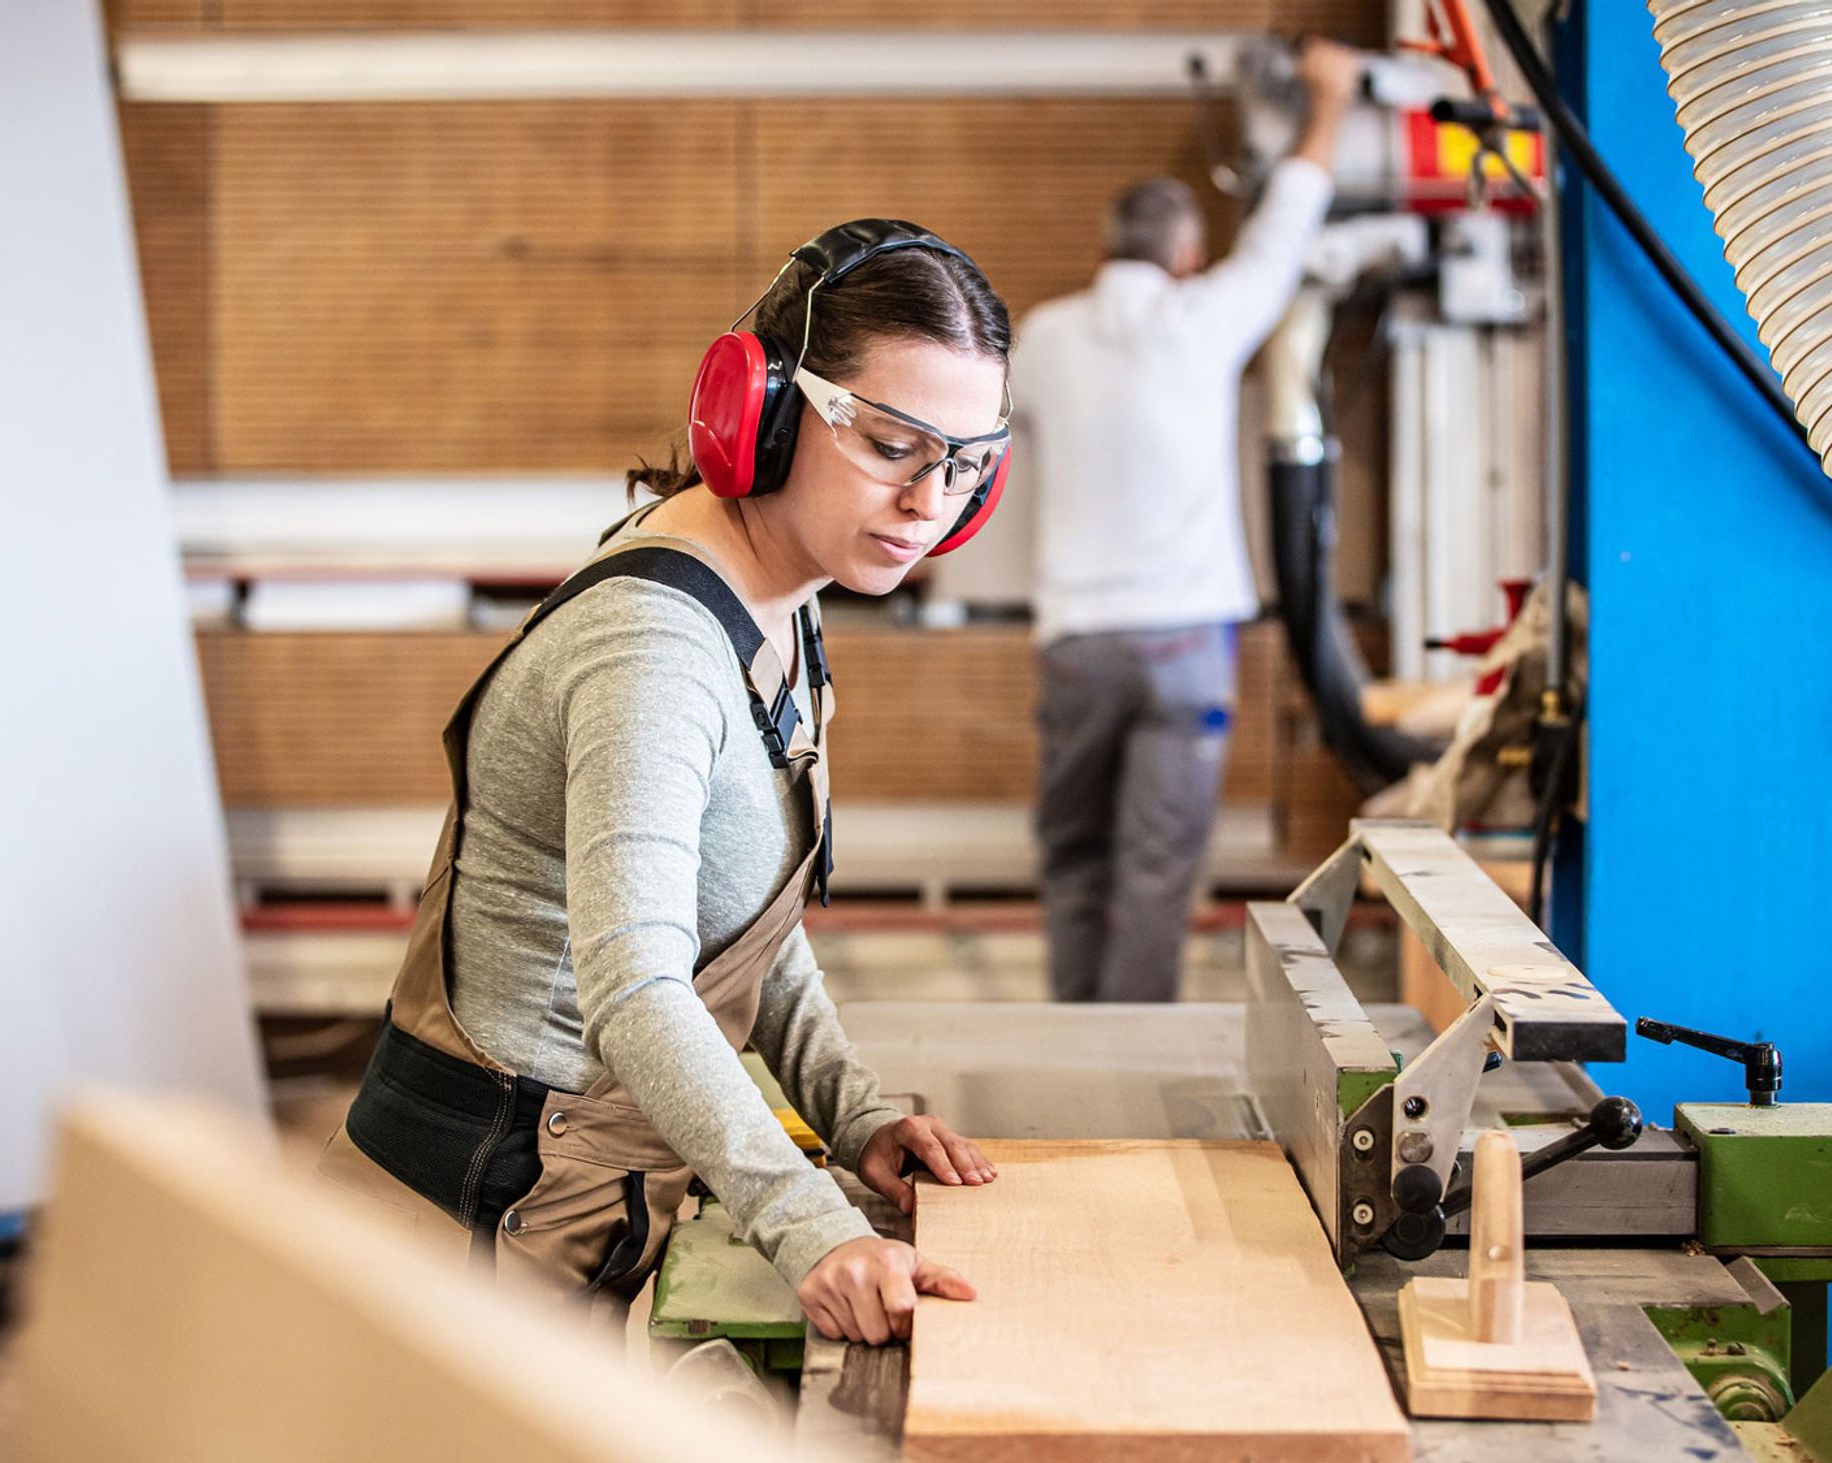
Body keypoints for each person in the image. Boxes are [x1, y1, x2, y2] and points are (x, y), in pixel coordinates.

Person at [317, 221, 1015, 1345]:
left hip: (556, 1192)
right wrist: (809, 1223)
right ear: (768, 413)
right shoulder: (655, 648)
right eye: (891, 444)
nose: (929, 501)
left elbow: (731, 915)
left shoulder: (781, 592)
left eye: (966, 462)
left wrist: (853, 1113)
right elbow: (638, 984)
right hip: (466, 1222)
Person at [1013, 38, 1360, 1003]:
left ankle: (1074, 1047)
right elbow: (1291, 218)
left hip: (1077, 642)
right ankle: (1132, 1064)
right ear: (1188, 254)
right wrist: (1329, 97)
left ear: (1102, 252)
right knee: (1158, 873)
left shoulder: (1041, 338)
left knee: (1075, 855)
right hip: (1185, 647)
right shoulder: (1208, 315)